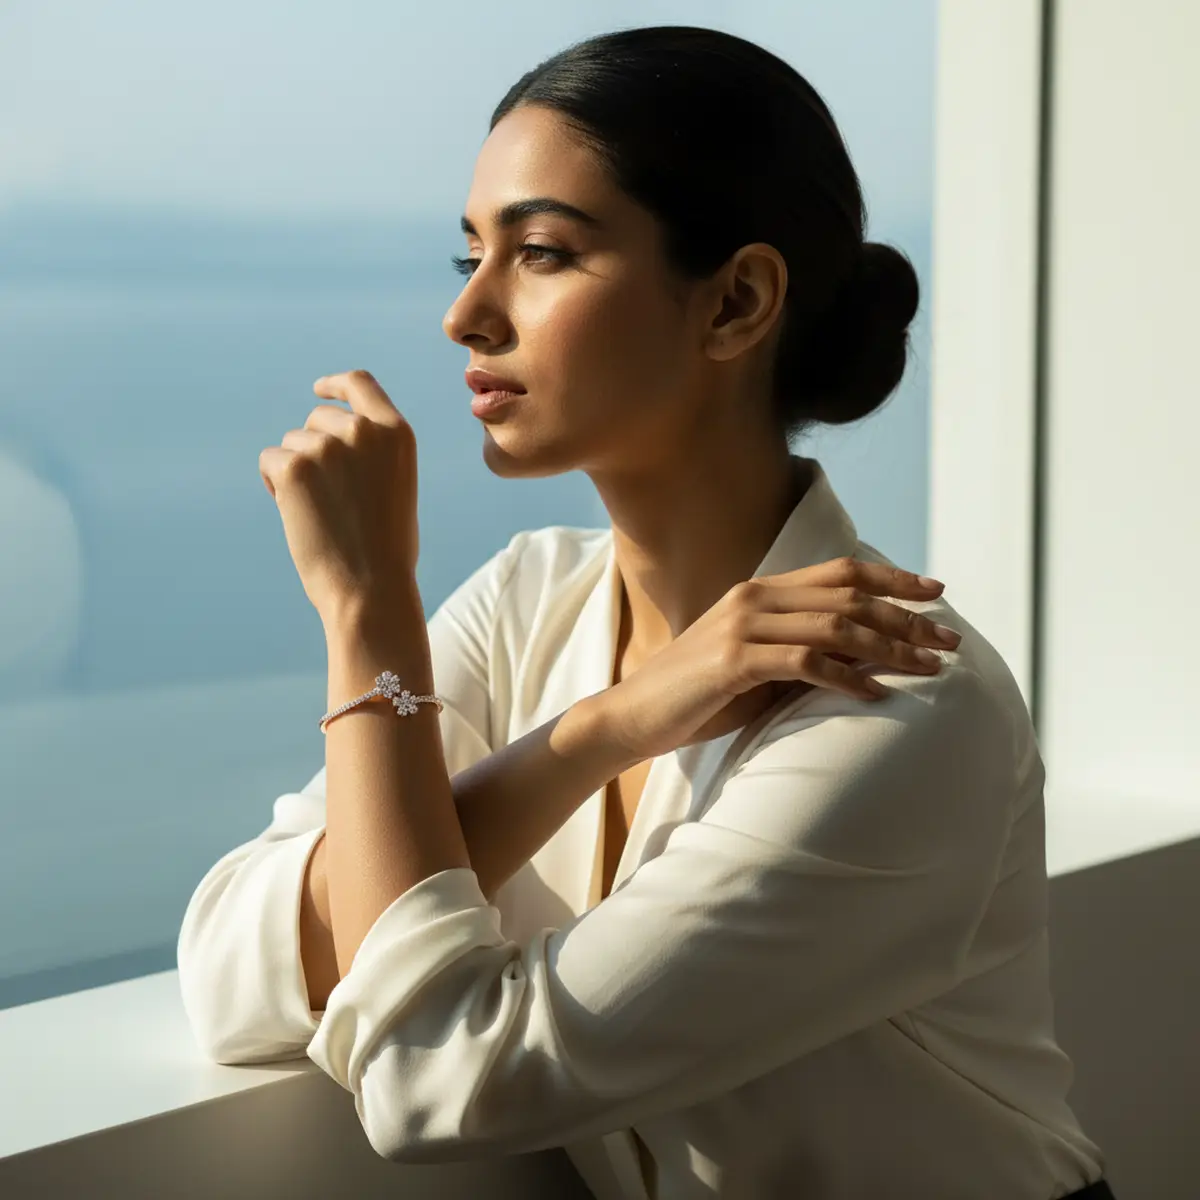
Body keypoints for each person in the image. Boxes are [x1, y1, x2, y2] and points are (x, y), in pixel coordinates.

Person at [177, 25, 1115, 1200]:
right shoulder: (527, 600)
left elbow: (437, 1080)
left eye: (542, 253)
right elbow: (236, 972)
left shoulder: (902, 702)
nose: (467, 314)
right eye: (469, 252)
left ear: (735, 302)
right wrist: (604, 729)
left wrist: (367, 612)